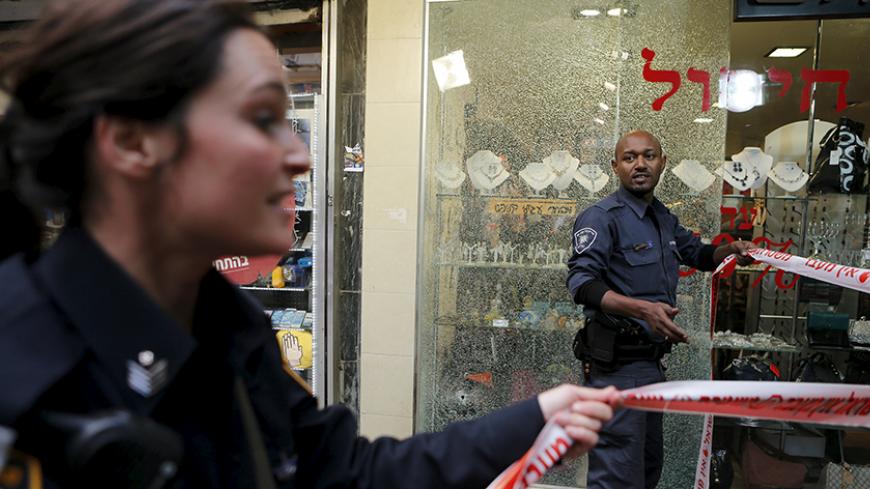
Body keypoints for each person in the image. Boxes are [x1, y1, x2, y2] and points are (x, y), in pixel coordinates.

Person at [0, 1, 620, 488]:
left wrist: (535, 417)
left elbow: (350, 475)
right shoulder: (22, 369)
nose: (298, 155)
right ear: (134, 143)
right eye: (262, 117)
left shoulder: (228, 331)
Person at [566, 130, 755, 489]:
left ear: (662, 163)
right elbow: (581, 285)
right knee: (617, 477)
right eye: (629, 157)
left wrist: (728, 249)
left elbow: (697, 254)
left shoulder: (662, 217)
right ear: (615, 166)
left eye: (648, 156)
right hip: (615, 371)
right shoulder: (601, 217)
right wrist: (642, 310)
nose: (640, 164)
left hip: (650, 366)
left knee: (647, 469)